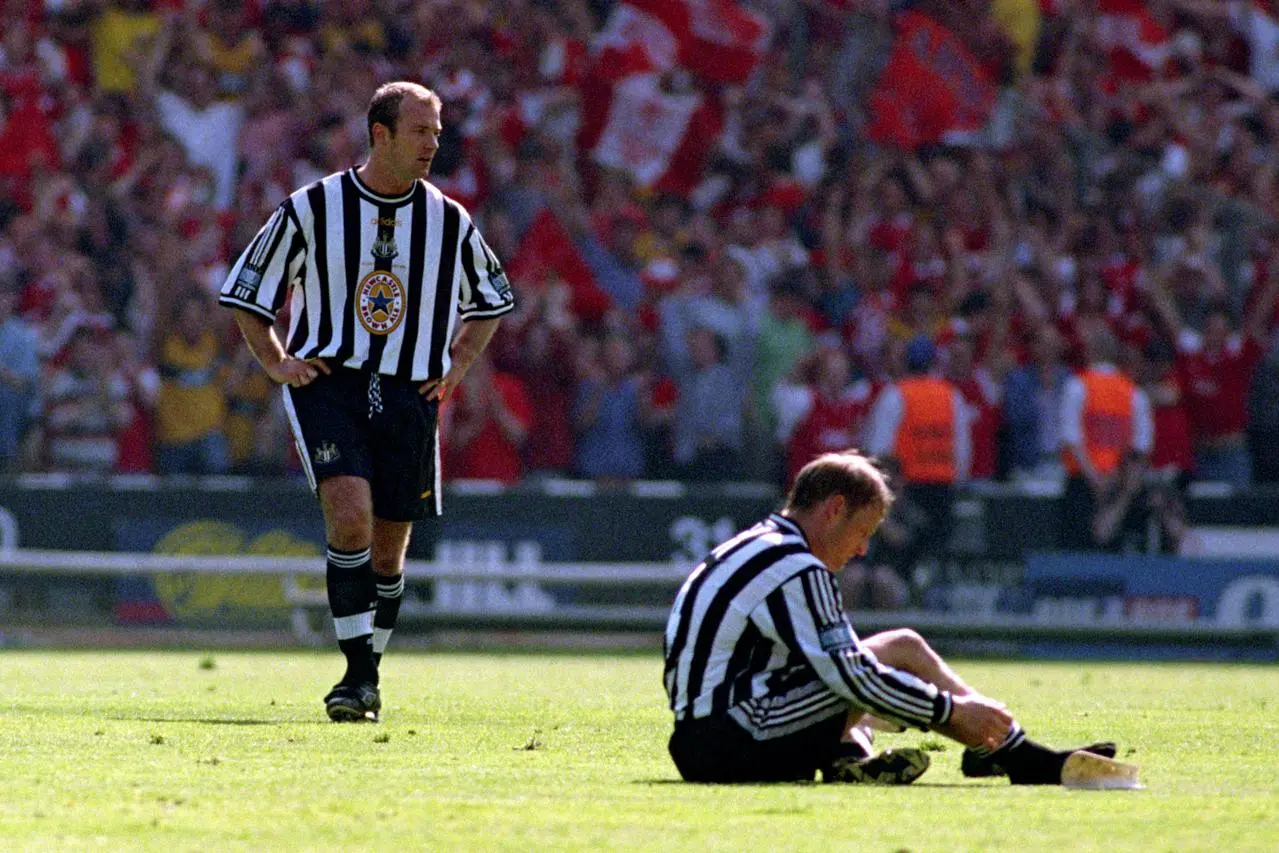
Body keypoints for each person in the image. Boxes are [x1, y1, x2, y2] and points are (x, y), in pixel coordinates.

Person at [218, 82, 515, 722]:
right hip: (333, 383)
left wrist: (458, 363)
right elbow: (248, 291)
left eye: (437, 131)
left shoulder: (450, 220)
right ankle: (356, 678)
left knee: (388, 550)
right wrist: (275, 361)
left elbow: (491, 299)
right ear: (380, 134)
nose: (435, 143)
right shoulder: (312, 207)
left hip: (411, 391)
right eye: (421, 131)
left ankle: (366, 676)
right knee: (349, 517)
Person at [663, 450, 1118, 784]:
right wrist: (953, 710)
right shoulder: (796, 567)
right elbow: (854, 678)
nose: (862, 549)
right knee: (872, 675)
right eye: (862, 531)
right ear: (834, 509)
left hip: (709, 734)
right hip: (732, 742)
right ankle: (1015, 755)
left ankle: (986, 746)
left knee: (901, 645)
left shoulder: (760, 544)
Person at [863, 335, 969, 572]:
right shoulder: (952, 395)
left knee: (901, 559)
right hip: (943, 489)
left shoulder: (895, 394)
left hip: (905, 491)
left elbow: (878, 451)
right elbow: (962, 452)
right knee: (934, 559)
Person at [1058, 326, 1153, 551]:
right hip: (1119, 483)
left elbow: (1071, 438)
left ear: (1090, 352)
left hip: (1082, 483)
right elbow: (1142, 447)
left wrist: (1093, 477)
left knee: (1077, 554)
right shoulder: (1134, 393)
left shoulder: (1077, 385)